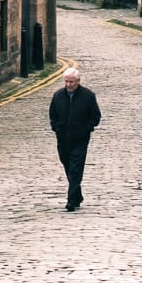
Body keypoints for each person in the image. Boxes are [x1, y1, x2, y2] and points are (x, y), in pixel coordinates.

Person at [48, 64, 102, 211]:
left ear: (78, 81)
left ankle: (72, 200)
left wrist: (87, 128)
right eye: (66, 81)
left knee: (75, 169)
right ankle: (77, 195)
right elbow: (52, 114)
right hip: (63, 138)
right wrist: (56, 127)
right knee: (67, 165)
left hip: (80, 139)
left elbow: (96, 116)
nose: (68, 84)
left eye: (71, 82)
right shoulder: (58, 95)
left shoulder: (88, 96)